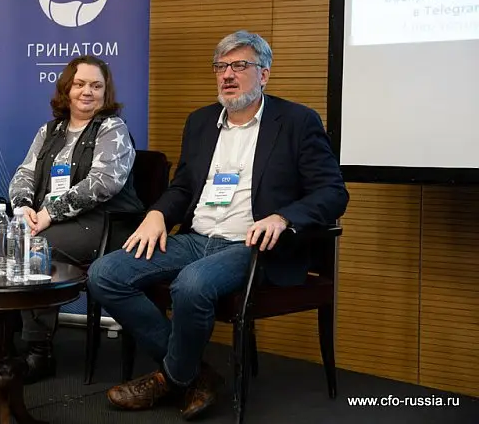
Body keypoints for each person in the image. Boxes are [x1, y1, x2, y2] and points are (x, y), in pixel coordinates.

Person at [86, 31, 349, 420]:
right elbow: (183, 187)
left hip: (252, 247)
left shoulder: (296, 121)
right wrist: (158, 214)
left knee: (191, 284)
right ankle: (195, 374)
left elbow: (333, 192)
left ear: (264, 74)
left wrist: (283, 218)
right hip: (196, 239)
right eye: (221, 66)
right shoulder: (201, 121)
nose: (227, 74)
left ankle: (170, 378)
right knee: (104, 274)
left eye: (240, 65)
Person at [8, 54, 144, 383]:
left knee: (36, 249)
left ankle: (39, 353)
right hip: (49, 220)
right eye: (80, 84)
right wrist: (23, 208)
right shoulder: (49, 130)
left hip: (103, 224)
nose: (87, 91)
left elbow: (102, 184)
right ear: (66, 89)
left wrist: (49, 214)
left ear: (105, 92)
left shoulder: (112, 128)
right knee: (0, 239)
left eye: (96, 86)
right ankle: (5, 338)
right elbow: (24, 174)